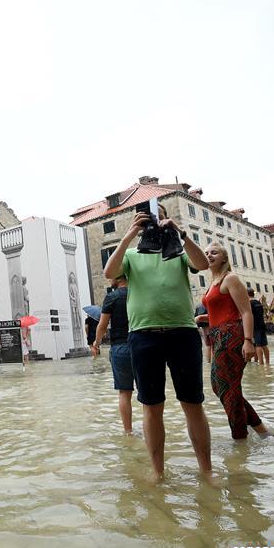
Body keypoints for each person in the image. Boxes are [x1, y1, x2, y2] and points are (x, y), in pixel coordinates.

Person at [103, 204, 212, 478]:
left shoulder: (178, 252)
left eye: (160, 216)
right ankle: (158, 473)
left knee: (193, 404)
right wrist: (128, 235)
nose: (156, 221)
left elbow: (202, 264)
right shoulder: (130, 254)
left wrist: (181, 233)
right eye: (151, 217)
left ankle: (207, 471)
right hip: (143, 335)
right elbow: (109, 272)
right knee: (151, 407)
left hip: (183, 333)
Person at [201, 244, 271, 440]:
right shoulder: (213, 281)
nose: (208, 255)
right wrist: (205, 318)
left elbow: (245, 311)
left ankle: (240, 440)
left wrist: (248, 341)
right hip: (218, 335)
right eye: (206, 253)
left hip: (232, 335)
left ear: (224, 258)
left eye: (214, 253)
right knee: (221, 387)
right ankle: (261, 431)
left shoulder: (230, 278)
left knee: (229, 389)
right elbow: (223, 309)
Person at [91, 275, 135, 434]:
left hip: (120, 347)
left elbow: (102, 325)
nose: (109, 279)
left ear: (118, 277)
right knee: (148, 394)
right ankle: (150, 429)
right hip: (142, 345)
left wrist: (96, 342)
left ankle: (128, 432)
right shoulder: (138, 292)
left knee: (124, 392)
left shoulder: (112, 297)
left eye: (110, 276)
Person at [249, 289, 270, 365]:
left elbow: (249, 316)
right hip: (262, 325)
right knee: (264, 345)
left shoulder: (249, 304)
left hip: (255, 326)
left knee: (258, 345)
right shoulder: (258, 303)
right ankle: (267, 363)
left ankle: (261, 363)